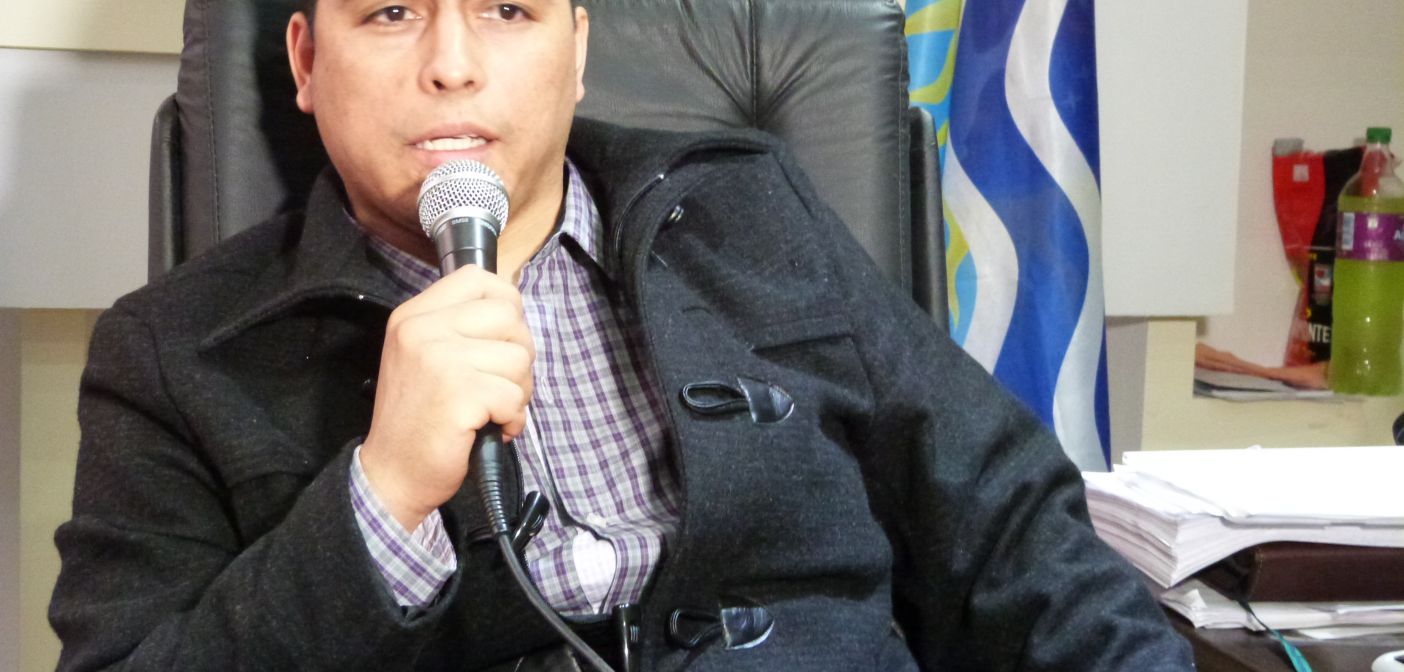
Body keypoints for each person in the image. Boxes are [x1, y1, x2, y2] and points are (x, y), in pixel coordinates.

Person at [49, 0, 1193, 670]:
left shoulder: (751, 211)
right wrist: (379, 501)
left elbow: (1009, 528)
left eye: (509, 10)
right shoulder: (173, 354)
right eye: (391, 12)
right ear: (306, 61)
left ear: (579, 47)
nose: (452, 63)